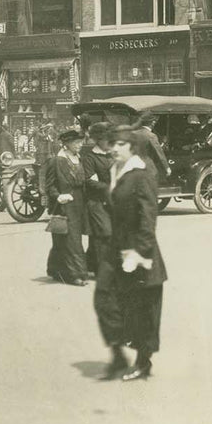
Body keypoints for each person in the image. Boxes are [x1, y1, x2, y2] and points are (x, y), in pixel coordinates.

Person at [97, 125, 167, 381]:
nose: (113, 148)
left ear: (132, 147)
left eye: (120, 145)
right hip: (116, 246)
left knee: (143, 307)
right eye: (112, 144)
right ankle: (117, 354)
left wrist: (140, 252)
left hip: (139, 248)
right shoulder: (116, 171)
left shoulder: (141, 174)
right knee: (104, 297)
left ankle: (143, 361)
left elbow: (149, 218)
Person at [47, 127, 89, 286]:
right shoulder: (57, 160)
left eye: (81, 142)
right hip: (65, 203)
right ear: (67, 144)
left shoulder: (79, 158)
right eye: (77, 143)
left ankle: (56, 270)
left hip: (79, 202)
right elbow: (49, 185)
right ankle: (75, 274)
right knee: (71, 239)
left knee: (66, 238)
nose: (80, 145)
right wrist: (58, 197)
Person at [81, 122, 115, 279]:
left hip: (111, 202)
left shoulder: (112, 155)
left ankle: (90, 265)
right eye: (108, 140)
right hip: (96, 202)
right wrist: (110, 187)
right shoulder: (90, 158)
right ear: (99, 140)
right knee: (103, 233)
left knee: (100, 235)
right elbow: (89, 181)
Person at [134, 114, 170, 185]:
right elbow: (159, 153)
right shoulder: (151, 136)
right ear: (153, 122)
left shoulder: (133, 134)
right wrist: (167, 168)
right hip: (148, 168)